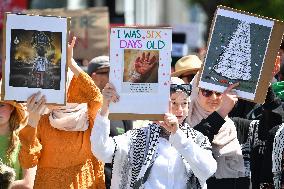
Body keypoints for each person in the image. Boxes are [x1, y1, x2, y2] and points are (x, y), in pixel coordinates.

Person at [90, 77, 218, 188]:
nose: (179, 110)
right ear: (159, 104)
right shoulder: (139, 138)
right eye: (173, 103)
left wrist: (178, 136)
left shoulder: (196, 139)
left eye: (184, 103)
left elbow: (207, 171)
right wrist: (105, 108)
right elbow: (101, 151)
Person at [18, 37, 105, 188]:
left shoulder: (87, 117)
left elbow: (96, 97)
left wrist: (70, 63)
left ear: (70, 88)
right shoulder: (42, 120)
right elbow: (27, 161)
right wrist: (32, 120)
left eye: (57, 85)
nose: (49, 90)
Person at [189, 70, 283, 189]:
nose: (214, 97)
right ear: (196, 92)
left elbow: (274, 130)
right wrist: (221, 113)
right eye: (206, 91)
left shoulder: (236, 125)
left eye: (219, 92)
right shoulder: (183, 126)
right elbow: (194, 144)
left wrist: (266, 91)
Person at [87, 55, 133, 189]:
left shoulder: (122, 110)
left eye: (116, 73)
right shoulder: (83, 109)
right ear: (93, 77)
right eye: (109, 73)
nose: (114, 77)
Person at [0, 84, 36, 188]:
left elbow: (28, 184)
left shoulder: (25, 139)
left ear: (11, 108)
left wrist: (5, 184)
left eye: (1, 105)